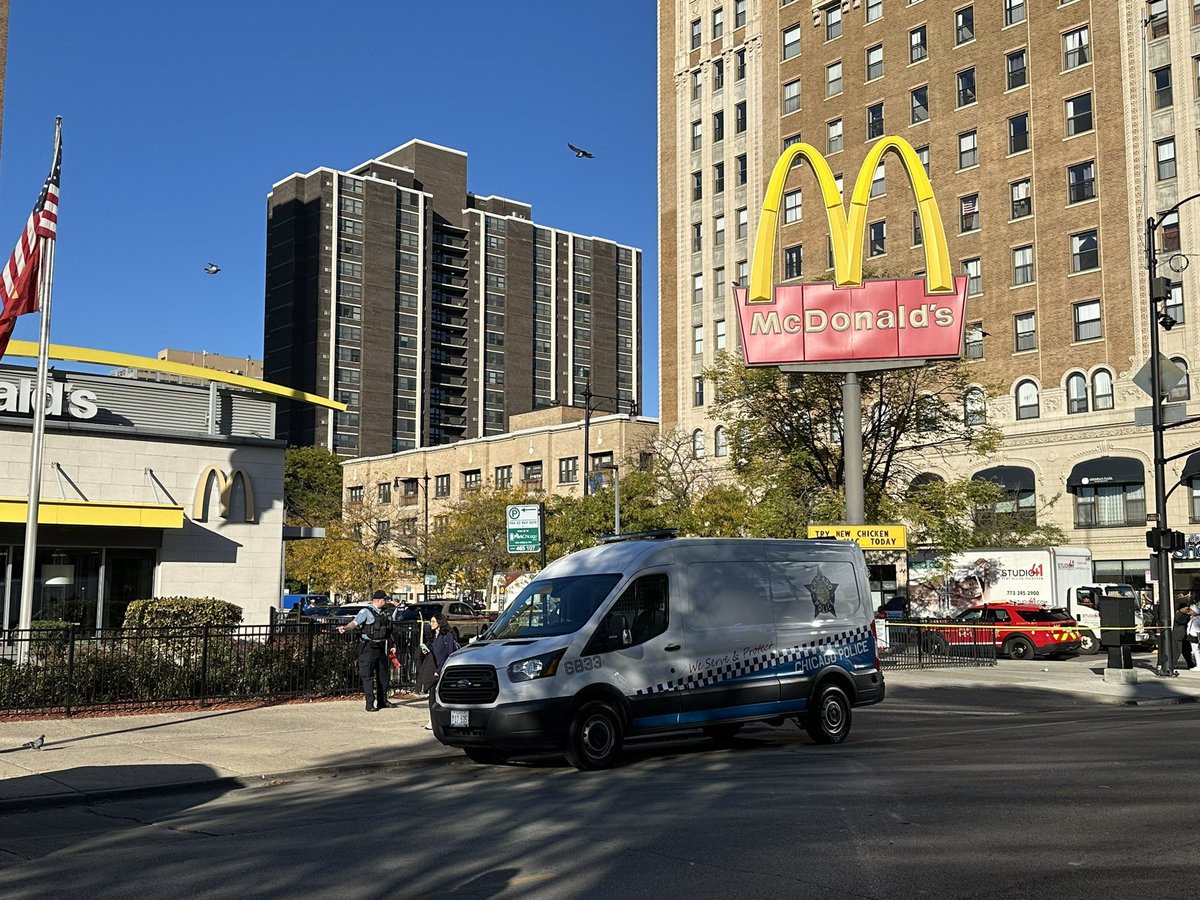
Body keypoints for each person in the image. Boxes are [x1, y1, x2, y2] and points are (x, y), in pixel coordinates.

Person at [337, 590, 395, 712]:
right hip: (368, 648)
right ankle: (370, 703)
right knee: (367, 676)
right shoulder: (366, 612)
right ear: (378, 600)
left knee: (383, 675)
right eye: (384, 600)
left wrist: (392, 644)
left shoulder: (384, 613)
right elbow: (354, 623)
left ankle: (383, 700)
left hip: (381, 648)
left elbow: (388, 631)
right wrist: (345, 628)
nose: (386, 602)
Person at [1171, 600, 1195, 671]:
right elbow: (1181, 621)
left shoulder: (1185, 615)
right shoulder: (1179, 614)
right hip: (1178, 636)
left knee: (1187, 651)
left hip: (1185, 636)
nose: (1188, 610)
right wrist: (1189, 617)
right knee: (1177, 651)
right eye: (1186, 609)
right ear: (1182, 609)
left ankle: (1190, 663)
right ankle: (1172, 664)